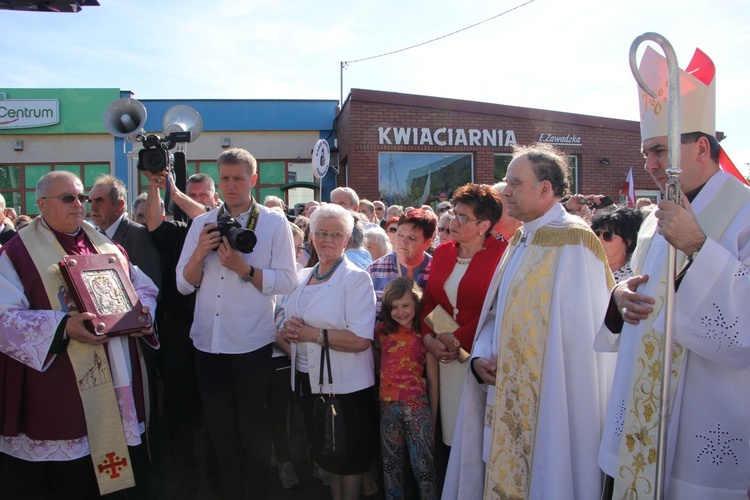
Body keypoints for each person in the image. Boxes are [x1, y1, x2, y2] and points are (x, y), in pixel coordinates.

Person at [597, 45, 750, 499]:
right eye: (646, 153)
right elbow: (647, 286)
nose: (650, 164)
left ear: (702, 147)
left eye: (661, 150)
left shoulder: (744, 214)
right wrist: (620, 296)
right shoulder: (652, 216)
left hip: (706, 412)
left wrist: (699, 246)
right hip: (643, 412)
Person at [444, 144, 613, 499]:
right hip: (505, 392)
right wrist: (480, 357)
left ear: (545, 189)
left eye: (515, 183)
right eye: (507, 182)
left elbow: (582, 346)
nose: (505, 191)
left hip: (551, 404)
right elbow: (496, 313)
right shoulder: (522, 237)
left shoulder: (575, 242)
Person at [0, 171, 158, 498]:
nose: (79, 204)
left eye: (81, 197)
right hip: (58, 382)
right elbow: (4, 318)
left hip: (115, 374)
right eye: (68, 198)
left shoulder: (103, 243)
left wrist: (143, 315)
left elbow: (144, 287)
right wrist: (62, 327)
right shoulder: (17, 253)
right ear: (41, 204)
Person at [176, 148, 297, 499]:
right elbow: (184, 284)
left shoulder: (274, 223)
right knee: (219, 430)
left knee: (253, 430)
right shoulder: (201, 223)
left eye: (238, 178)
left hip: (250, 344)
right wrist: (200, 252)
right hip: (207, 344)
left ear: (253, 180)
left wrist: (245, 270)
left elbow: (288, 281)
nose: (231, 186)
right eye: (225, 178)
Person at [280, 203, 377, 500]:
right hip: (311, 382)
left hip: (347, 387)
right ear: (311, 235)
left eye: (336, 234)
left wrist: (311, 334)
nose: (327, 239)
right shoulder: (301, 276)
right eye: (321, 232)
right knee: (330, 456)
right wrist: (287, 331)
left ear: (347, 240)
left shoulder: (355, 278)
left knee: (349, 458)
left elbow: (361, 339)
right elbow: (286, 321)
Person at [142, 169, 223, 498]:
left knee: (217, 412)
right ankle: (185, 481)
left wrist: (175, 193)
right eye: (195, 193)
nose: (200, 200)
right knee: (180, 411)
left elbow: (204, 216)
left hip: (216, 330)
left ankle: (219, 480)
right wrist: (153, 186)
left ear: (215, 198)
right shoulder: (176, 231)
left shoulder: (222, 226)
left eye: (205, 194)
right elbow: (152, 224)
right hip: (178, 331)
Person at [421, 184, 506, 455]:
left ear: (484, 225)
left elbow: (494, 309)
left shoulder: (502, 255)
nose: (453, 222)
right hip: (444, 358)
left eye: (463, 217)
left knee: (475, 440)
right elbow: (430, 301)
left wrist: (459, 339)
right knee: (449, 435)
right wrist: (428, 338)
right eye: (454, 213)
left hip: (478, 357)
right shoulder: (444, 251)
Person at [375, 278, 438, 500]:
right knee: (391, 467)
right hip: (388, 407)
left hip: (417, 406)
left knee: (424, 467)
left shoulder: (426, 335)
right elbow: (378, 360)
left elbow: (432, 379)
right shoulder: (382, 331)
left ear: (416, 304)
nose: (400, 312)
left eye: (405, 305)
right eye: (393, 307)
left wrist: (434, 416)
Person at [89, 174, 162, 293]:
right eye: (90, 201)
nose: (92, 207)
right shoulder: (91, 236)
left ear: (119, 205)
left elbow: (151, 289)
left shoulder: (138, 235)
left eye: (99, 201)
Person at [367, 208, 436, 319]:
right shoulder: (374, 270)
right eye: (400, 235)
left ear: (427, 243)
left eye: (411, 238)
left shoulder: (437, 272)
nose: (403, 242)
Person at [589, 206, 643, 283]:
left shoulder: (634, 277)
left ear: (629, 241)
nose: (599, 239)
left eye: (608, 235)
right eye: (598, 233)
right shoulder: (587, 267)